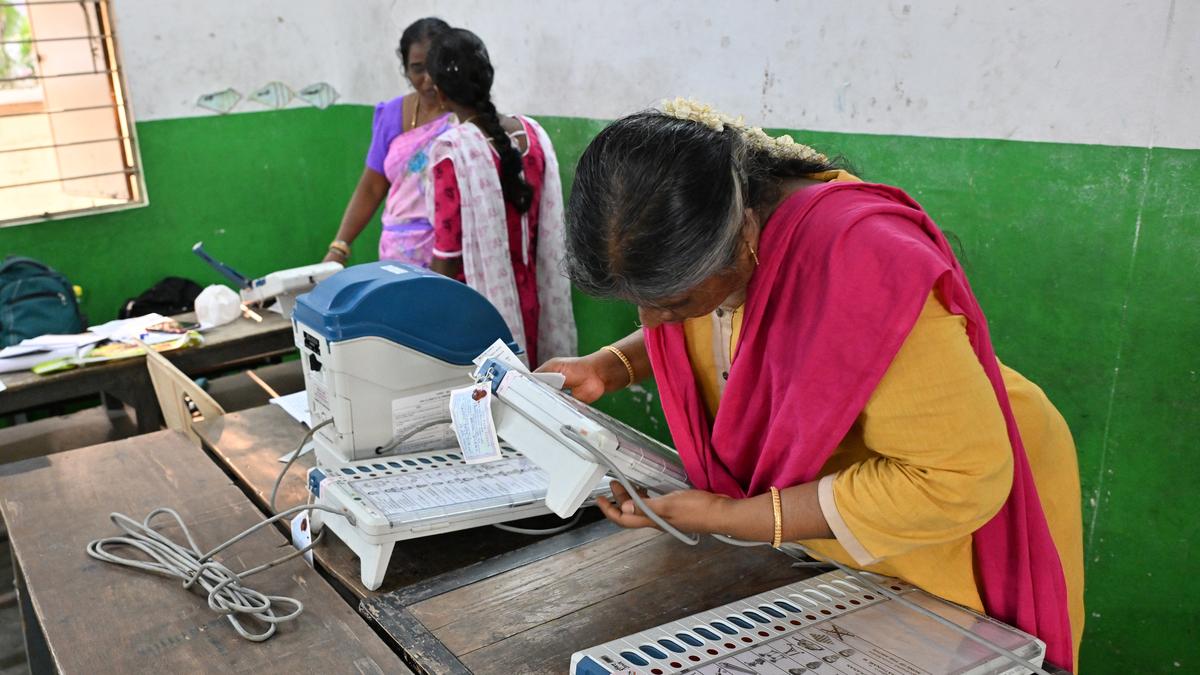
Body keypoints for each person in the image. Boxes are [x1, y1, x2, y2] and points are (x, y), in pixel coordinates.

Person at [539, 99, 1084, 672]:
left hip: (950, 474)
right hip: (854, 493)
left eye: (672, 303)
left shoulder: (861, 261)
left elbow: (955, 480)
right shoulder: (709, 222)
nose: (652, 324)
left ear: (742, 234)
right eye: (638, 305)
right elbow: (719, 328)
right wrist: (608, 367)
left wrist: (729, 516)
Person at [423, 28, 575, 367]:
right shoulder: (532, 134)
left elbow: (446, 255)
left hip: (478, 310)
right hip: (536, 302)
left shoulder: (453, 150)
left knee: (489, 405)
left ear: (439, 93)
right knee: (537, 389)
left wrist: (428, 314)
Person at [323, 17, 454, 266]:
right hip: (399, 253)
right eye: (417, 68)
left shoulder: (464, 116)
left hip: (449, 254)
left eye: (436, 66)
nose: (428, 78)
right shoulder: (392, 114)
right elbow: (372, 187)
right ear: (405, 69)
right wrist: (339, 247)